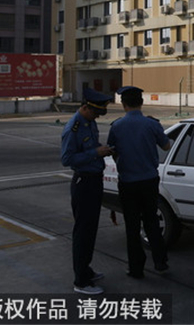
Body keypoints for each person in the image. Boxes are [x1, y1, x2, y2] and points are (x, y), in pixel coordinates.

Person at [107, 86, 172, 277]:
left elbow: (112, 150)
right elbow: (166, 145)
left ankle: (136, 268)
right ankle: (160, 262)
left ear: (123, 104)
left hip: (128, 183)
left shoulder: (117, 126)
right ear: (141, 103)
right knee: (152, 221)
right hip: (149, 181)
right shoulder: (151, 124)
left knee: (132, 226)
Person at [61, 88, 114, 295]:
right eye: (95, 113)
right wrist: (95, 153)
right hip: (84, 183)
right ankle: (81, 281)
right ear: (85, 107)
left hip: (94, 181)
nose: (96, 118)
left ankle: (86, 268)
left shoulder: (89, 122)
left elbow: (91, 147)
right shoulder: (72, 129)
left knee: (90, 230)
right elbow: (67, 159)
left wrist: (102, 150)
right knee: (83, 232)